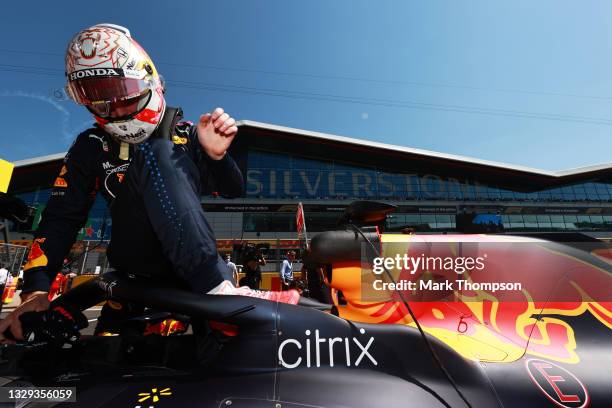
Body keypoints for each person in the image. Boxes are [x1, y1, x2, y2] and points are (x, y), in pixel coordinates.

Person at [0, 24, 297, 341]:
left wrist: (216, 157)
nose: (113, 107)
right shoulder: (90, 145)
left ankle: (219, 291)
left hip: (196, 268)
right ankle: (217, 291)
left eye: (120, 95)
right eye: (99, 100)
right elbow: (61, 218)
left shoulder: (186, 134)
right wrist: (35, 291)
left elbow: (233, 189)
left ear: (147, 83)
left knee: (158, 149)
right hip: (134, 268)